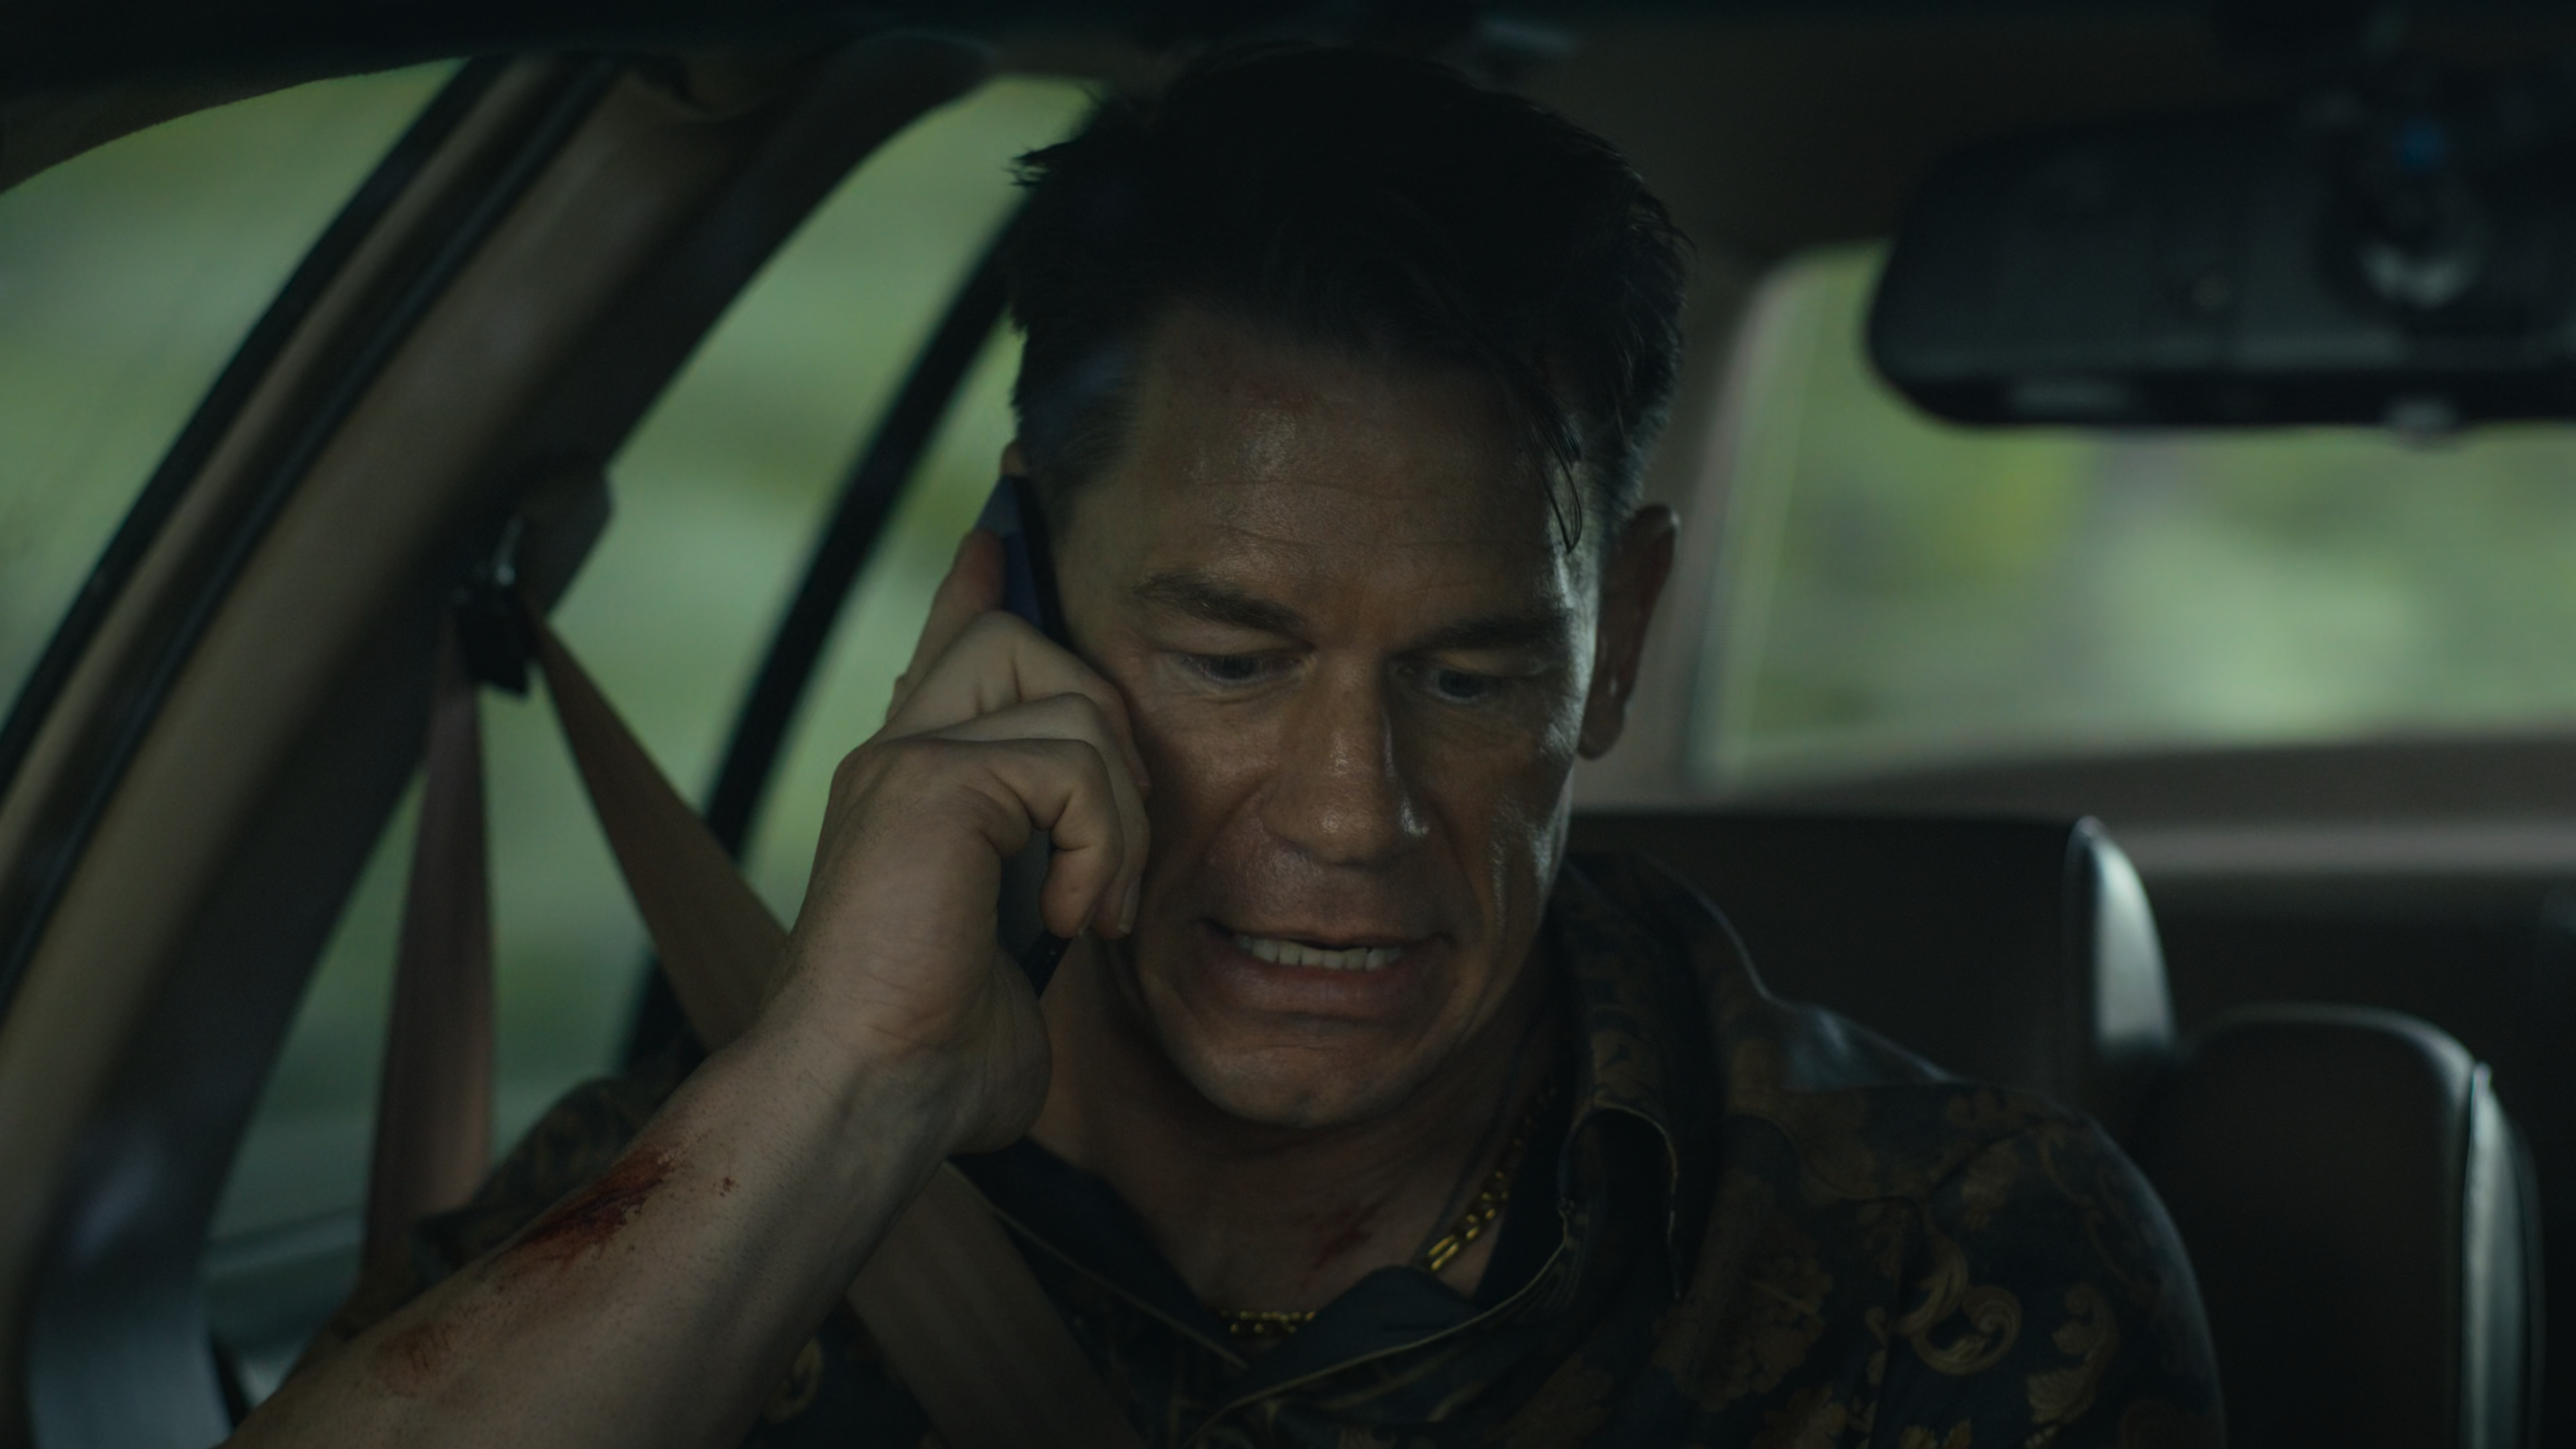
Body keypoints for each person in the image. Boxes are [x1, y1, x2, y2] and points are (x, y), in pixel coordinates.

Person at [233, 44, 2221, 1449]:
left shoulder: (1945, 1264)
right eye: (1230, 659)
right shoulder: (710, 1177)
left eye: (1470, 679)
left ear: (1615, 645)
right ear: (1022, 594)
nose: (1352, 815)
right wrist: (845, 1090)